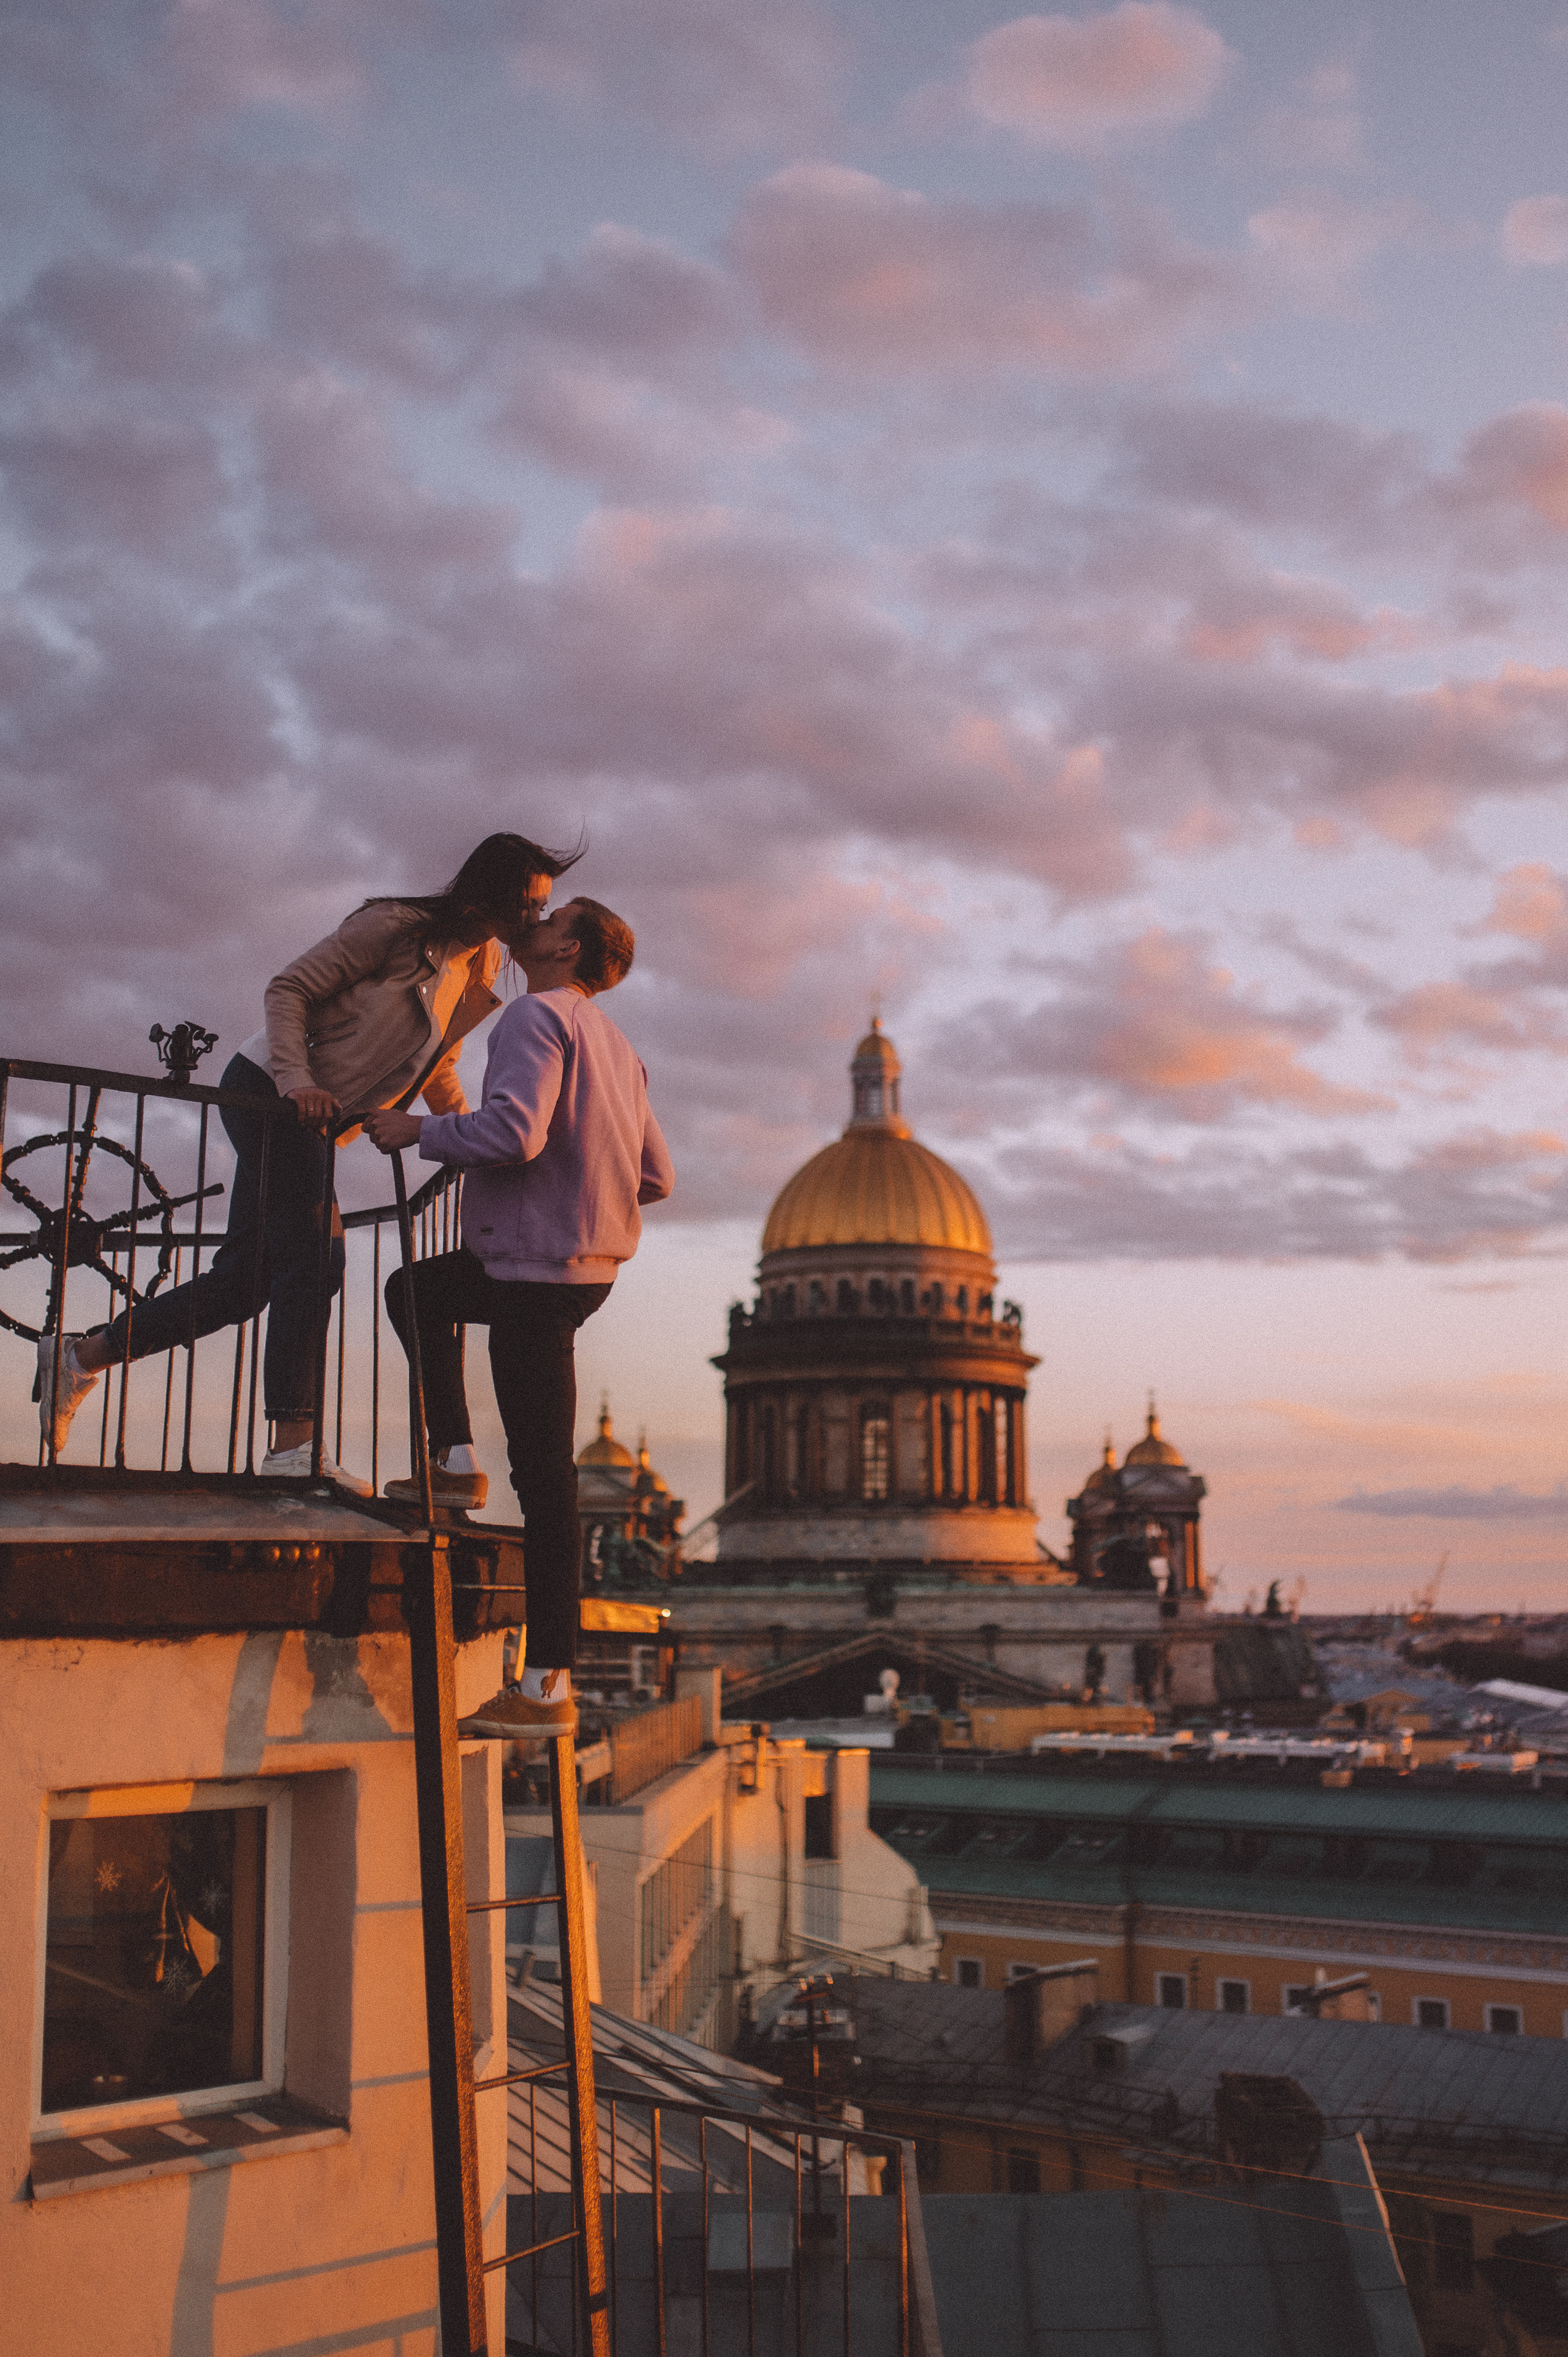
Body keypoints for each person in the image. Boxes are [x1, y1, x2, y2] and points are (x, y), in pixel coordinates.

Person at [37, 834, 578, 1491]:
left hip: (311, 1121)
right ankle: (293, 1448)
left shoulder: (481, 962)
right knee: (317, 1259)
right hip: (268, 1091)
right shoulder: (395, 927)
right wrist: (297, 1081)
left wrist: (465, 1136)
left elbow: (437, 1063)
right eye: (528, 903)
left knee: (244, 1282)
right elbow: (288, 987)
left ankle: (78, 1356)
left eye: (543, 907)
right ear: (487, 893)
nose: (536, 918)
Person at [364, 894, 673, 1735]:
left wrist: (417, 1131)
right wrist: (588, 1192)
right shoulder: (620, 1047)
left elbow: (515, 1133)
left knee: (545, 1483)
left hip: (532, 1269)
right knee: (418, 1290)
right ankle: (455, 1460)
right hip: (581, 1269)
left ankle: (546, 1687)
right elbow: (656, 1175)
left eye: (552, 918)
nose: (532, 922)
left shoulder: (534, 1017)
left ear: (569, 949)